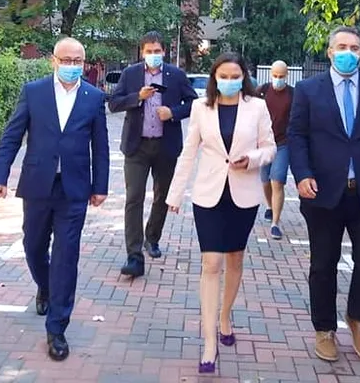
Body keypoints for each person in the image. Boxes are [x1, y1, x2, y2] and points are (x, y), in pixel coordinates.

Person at [289, 26, 360, 364]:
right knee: (323, 265)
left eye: (354, 48)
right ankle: (325, 329)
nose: (348, 53)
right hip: (323, 193)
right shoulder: (308, 90)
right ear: (329, 52)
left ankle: (358, 318)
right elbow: (297, 136)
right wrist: (302, 174)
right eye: (341, 46)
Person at [0, 36, 109, 361]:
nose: (71, 66)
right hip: (38, 184)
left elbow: (100, 146)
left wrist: (100, 186)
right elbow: (12, 136)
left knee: (66, 256)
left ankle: (57, 328)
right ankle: (45, 285)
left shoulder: (94, 97)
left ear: (84, 63)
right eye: (65, 60)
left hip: (74, 189)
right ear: (53, 61)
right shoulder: (34, 92)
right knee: (33, 245)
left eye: (77, 61)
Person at [166, 53, 276, 374]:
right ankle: (209, 342)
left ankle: (225, 315)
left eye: (235, 75)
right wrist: (175, 193)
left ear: (244, 77)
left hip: (243, 194)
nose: (229, 80)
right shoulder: (201, 107)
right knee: (211, 263)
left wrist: (252, 159)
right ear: (215, 77)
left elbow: (270, 147)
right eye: (223, 76)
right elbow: (189, 152)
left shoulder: (258, 107)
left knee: (234, 259)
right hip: (208, 195)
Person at [108, 31, 197, 277]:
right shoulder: (131, 74)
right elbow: (113, 103)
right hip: (136, 146)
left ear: (164, 52)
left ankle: (152, 238)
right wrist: (137, 97)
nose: (153, 55)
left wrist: (174, 112)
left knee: (162, 196)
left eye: (157, 51)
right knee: (134, 197)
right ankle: (134, 255)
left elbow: (194, 103)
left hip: (165, 146)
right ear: (142, 52)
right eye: (149, 51)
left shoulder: (176, 75)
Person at [256, 60, 294, 240]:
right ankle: (270, 206)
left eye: (281, 76)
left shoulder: (293, 94)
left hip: (283, 143)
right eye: (275, 76)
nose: (278, 79)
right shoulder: (262, 91)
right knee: (265, 180)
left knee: (277, 180)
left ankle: (275, 223)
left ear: (287, 75)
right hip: (265, 143)